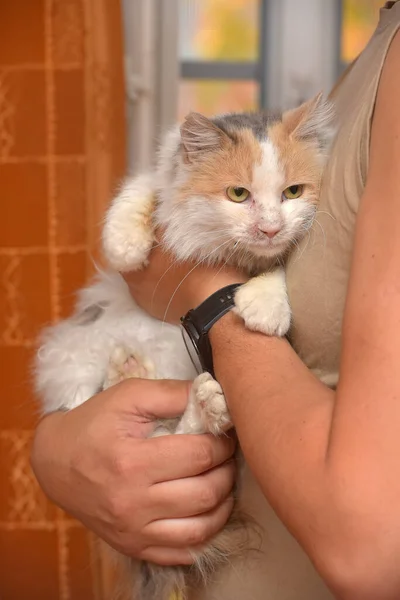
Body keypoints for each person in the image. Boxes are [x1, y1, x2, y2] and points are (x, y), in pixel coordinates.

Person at [31, 3, 400, 599]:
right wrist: (55, 454)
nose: (272, 221)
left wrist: (203, 297)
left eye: (292, 194)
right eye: (240, 196)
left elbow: (370, 546)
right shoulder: (369, 62)